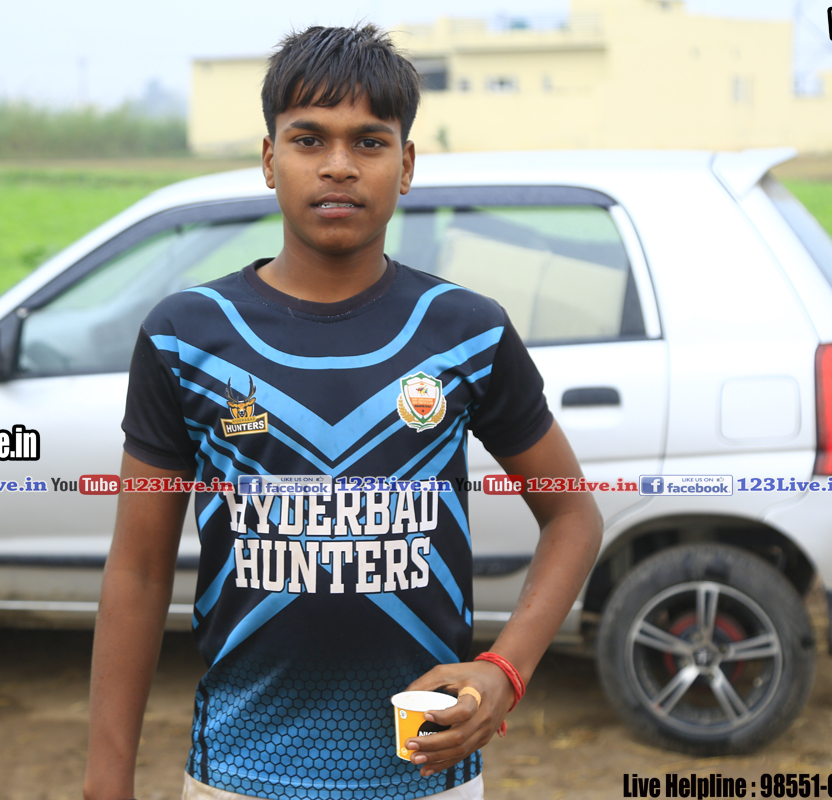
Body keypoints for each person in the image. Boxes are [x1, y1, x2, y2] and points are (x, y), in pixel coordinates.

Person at [83, 24, 603, 800]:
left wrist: (506, 669)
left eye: (368, 141)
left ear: (406, 165)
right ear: (269, 160)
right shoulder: (186, 335)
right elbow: (138, 569)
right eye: (308, 139)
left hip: (427, 776)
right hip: (239, 777)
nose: (338, 165)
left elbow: (573, 516)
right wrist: (106, 783)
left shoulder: (464, 330)